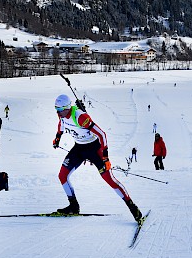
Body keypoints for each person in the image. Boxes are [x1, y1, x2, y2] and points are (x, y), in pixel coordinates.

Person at [52, 94, 143, 223]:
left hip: (95, 149)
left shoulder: (80, 116)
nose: (58, 112)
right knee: (62, 176)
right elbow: (61, 125)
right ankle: (73, 206)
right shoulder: (61, 116)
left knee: (109, 179)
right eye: (56, 109)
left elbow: (102, 134)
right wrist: (57, 138)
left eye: (60, 110)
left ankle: (132, 207)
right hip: (79, 148)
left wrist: (105, 157)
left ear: (67, 107)